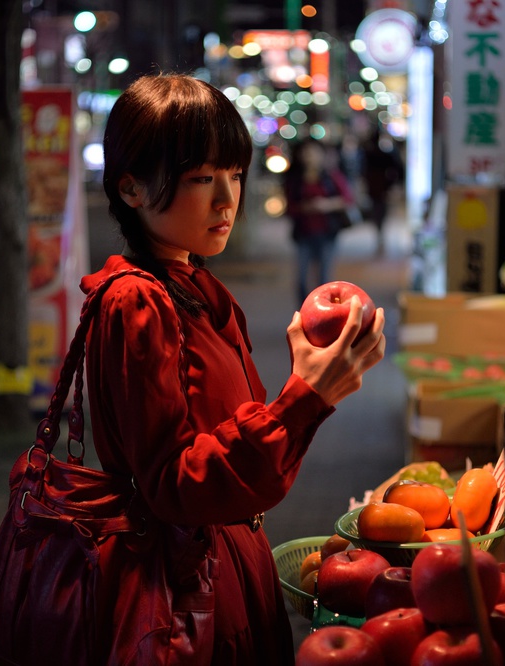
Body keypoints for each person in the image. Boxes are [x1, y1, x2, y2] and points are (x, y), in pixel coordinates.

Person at [83, 74, 385, 663]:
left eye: (235, 175)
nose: (227, 200)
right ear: (131, 188)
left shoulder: (190, 284)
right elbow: (175, 485)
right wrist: (305, 397)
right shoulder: (136, 301)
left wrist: (310, 391)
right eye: (201, 179)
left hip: (224, 569)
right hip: (185, 597)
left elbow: (230, 440)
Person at [283, 138, 357, 303]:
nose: (310, 156)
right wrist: (304, 208)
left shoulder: (331, 176)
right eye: (306, 152)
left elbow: (348, 199)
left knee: (324, 278)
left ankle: (325, 315)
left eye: (314, 152)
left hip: (327, 232)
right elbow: (289, 207)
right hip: (303, 233)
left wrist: (326, 205)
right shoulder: (295, 179)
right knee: (301, 279)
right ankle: (305, 314)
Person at [361, 127, 403, 253]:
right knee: (380, 211)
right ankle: (380, 231)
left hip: (376, 188)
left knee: (377, 210)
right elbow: (398, 169)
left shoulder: (370, 154)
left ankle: (379, 231)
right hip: (381, 188)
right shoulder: (382, 154)